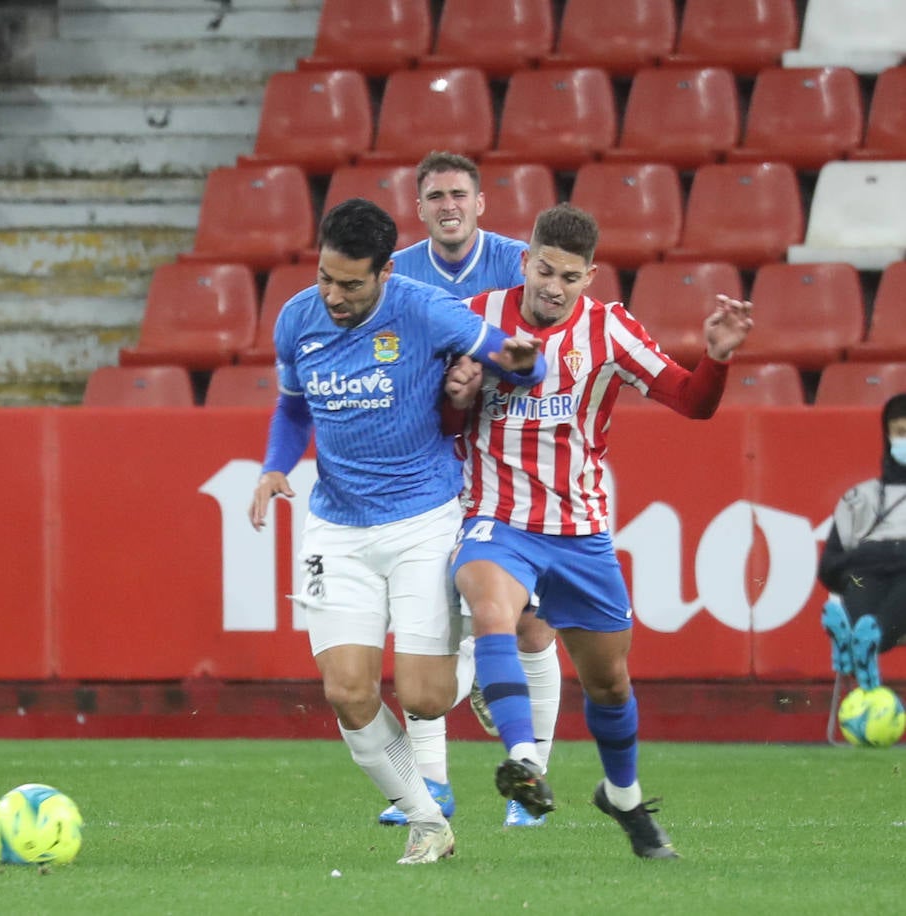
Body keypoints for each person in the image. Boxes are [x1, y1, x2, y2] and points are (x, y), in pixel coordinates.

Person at [448, 203, 754, 859]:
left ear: (590, 279)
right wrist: (462, 391)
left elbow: (690, 402)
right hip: (496, 517)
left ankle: (622, 793)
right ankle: (524, 761)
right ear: (526, 261)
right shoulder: (473, 317)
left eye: (570, 277)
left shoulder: (609, 330)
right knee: (490, 608)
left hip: (579, 532)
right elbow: (442, 420)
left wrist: (718, 358)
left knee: (610, 683)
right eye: (545, 270)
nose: (554, 287)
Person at [247, 198, 545, 865]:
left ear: (385, 272)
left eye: (350, 284)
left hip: (422, 521)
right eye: (326, 276)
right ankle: (426, 821)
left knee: (425, 696)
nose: (333, 295)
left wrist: (520, 362)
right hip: (337, 525)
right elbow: (293, 410)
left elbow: (526, 365)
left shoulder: (425, 309)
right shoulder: (297, 318)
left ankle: (476, 657)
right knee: (348, 692)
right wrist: (273, 467)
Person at [379, 150, 563, 830]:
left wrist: (489, 378)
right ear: (419, 206)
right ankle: (430, 788)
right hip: (425, 467)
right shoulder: (397, 275)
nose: (448, 205)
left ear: (481, 203)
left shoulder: (521, 264)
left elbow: (556, 349)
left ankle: (529, 791)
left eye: (459, 193)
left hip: (512, 465)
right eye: (435, 196)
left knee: (533, 626)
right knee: (426, 624)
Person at [818, 393, 906, 691]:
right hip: (868, 581)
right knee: (857, 579)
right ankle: (864, 636)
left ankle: (861, 637)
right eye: (901, 433)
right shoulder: (859, 498)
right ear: (887, 436)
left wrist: (876, 553)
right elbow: (829, 567)